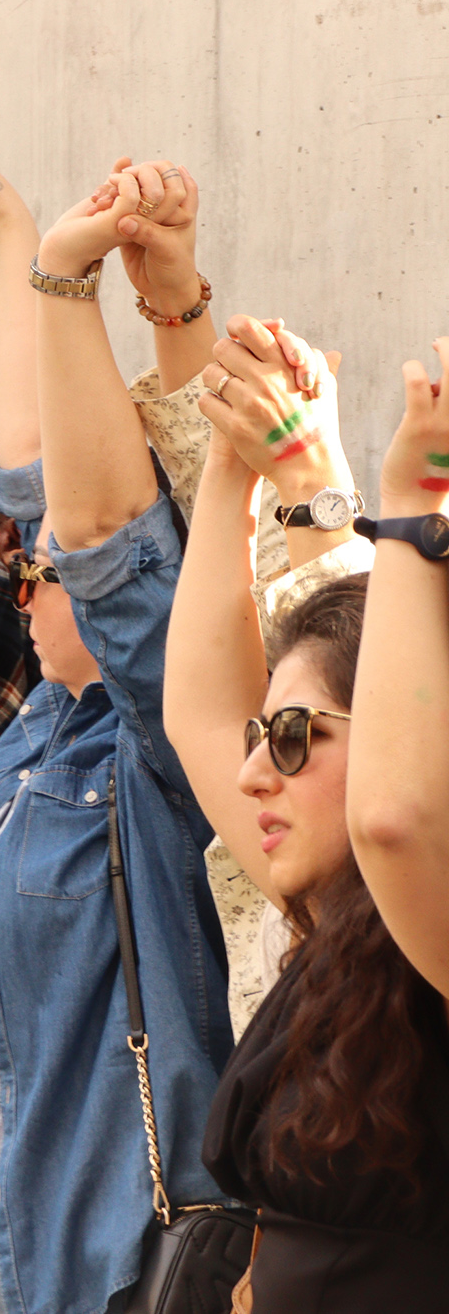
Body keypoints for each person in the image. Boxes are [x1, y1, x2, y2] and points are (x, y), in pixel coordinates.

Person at [0, 162, 233, 1314]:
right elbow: (39, 478)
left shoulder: (153, 758)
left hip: (87, 1270)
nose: (22, 580)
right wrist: (5, 232)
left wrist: (67, 280)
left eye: (45, 569)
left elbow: (106, 537)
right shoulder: (50, 719)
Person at [278, 333, 449, 1305]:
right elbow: (192, 718)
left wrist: (408, 511)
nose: (262, 765)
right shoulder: (339, 907)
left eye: (296, 734)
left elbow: (387, 815)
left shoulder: (402, 875)